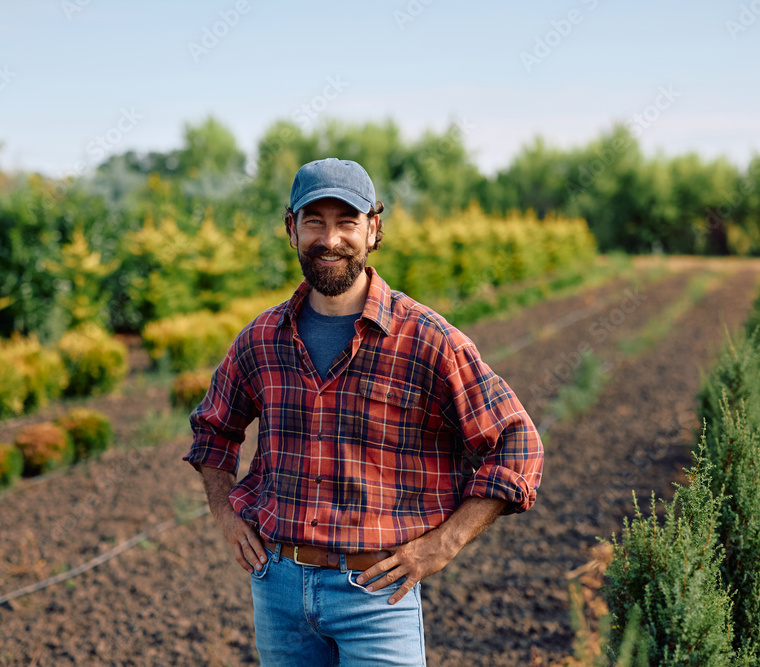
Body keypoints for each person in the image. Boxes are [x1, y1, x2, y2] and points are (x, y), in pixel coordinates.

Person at [184, 157, 544, 666]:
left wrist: (444, 543)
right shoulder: (261, 339)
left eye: (346, 222)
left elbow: (516, 443)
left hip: (377, 596)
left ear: (373, 229)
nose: (329, 239)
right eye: (314, 221)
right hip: (278, 589)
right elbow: (212, 429)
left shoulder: (426, 339)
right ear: (292, 229)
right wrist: (224, 512)